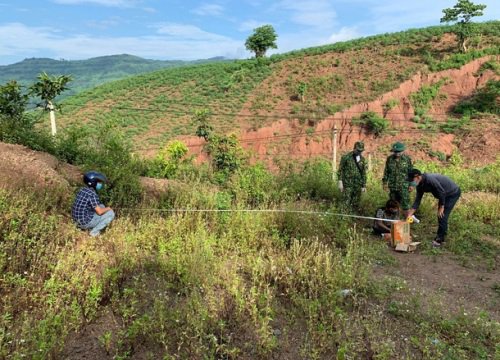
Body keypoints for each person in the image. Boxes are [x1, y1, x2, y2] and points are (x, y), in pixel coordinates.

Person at [407, 169, 461, 247]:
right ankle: (443, 234)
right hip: (443, 194)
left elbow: (441, 191)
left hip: (452, 193)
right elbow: (417, 201)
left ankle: (439, 240)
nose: (411, 182)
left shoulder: (429, 179)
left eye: (412, 180)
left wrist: (442, 206)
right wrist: (410, 214)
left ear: (418, 177)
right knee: (441, 215)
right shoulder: (420, 185)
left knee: (442, 215)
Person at [72, 171, 115, 237]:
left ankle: (88, 227)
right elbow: (99, 212)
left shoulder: (82, 189)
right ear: (93, 183)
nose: (100, 184)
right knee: (111, 213)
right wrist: (109, 208)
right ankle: (94, 232)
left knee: (101, 206)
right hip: (84, 222)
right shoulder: (92, 194)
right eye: (98, 182)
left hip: (76, 220)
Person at [382, 142, 413, 216]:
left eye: (399, 151)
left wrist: (411, 184)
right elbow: (386, 172)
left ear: (403, 151)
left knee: (406, 205)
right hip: (393, 186)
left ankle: (407, 222)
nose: (397, 153)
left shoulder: (407, 159)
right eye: (395, 152)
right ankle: (395, 222)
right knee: (393, 204)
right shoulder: (389, 159)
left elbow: (411, 173)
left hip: (404, 187)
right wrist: (384, 183)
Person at [338, 141, 367, 211]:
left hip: (357, 184)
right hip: (347, 184)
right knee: (346, 201)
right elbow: (340, 170)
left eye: (361, 151)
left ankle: (353, 217)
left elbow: (363, 173)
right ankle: (344, 217)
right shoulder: (346, 157)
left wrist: (363, 185)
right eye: (358, 150)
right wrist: (340, 181)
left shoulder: (363, 159)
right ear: (354, 148)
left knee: (356, 202)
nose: (359, 152)